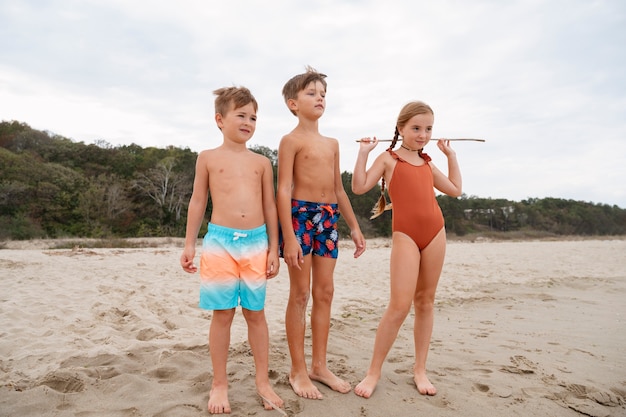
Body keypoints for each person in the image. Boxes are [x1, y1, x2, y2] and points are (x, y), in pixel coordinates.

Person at [180, 86, 284, 414]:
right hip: (219, 242)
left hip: (256, 242)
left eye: (253, 117)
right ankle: (219, 383)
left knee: (256, 313)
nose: (248, 122)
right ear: (219, 119)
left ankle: (262, 381)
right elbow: (198, 201)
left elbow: (270, 205)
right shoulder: (207, 158)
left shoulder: (262, 162)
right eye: (241, 115)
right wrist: (189, 243)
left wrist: (272, 247)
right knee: (222, 314)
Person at [351, 101, 462, 398]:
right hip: (406, 235)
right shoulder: (388, 159)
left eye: (428, 129)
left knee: (425, 301)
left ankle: (420, 370)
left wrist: (450, 155)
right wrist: (363, 153)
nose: (423, 134)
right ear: (400, 128)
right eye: (416, 128)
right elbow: (359, 187)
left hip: (436, 231)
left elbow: (454, 189)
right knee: (399, 305)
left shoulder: (427, 162)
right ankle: (373, 372)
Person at [277, 66, 366, 399]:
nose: (319, 98)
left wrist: (354, 227)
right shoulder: (290, 141)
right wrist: (288, 236)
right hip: (299, 217)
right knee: (300, 294)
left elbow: (339, 190)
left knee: (325, 292)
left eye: (323, 94)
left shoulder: (332, 143)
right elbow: (283, 188)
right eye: (311, 93)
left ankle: (319, 366)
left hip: (328, 219)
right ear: (293, 104)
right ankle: (298, 371)